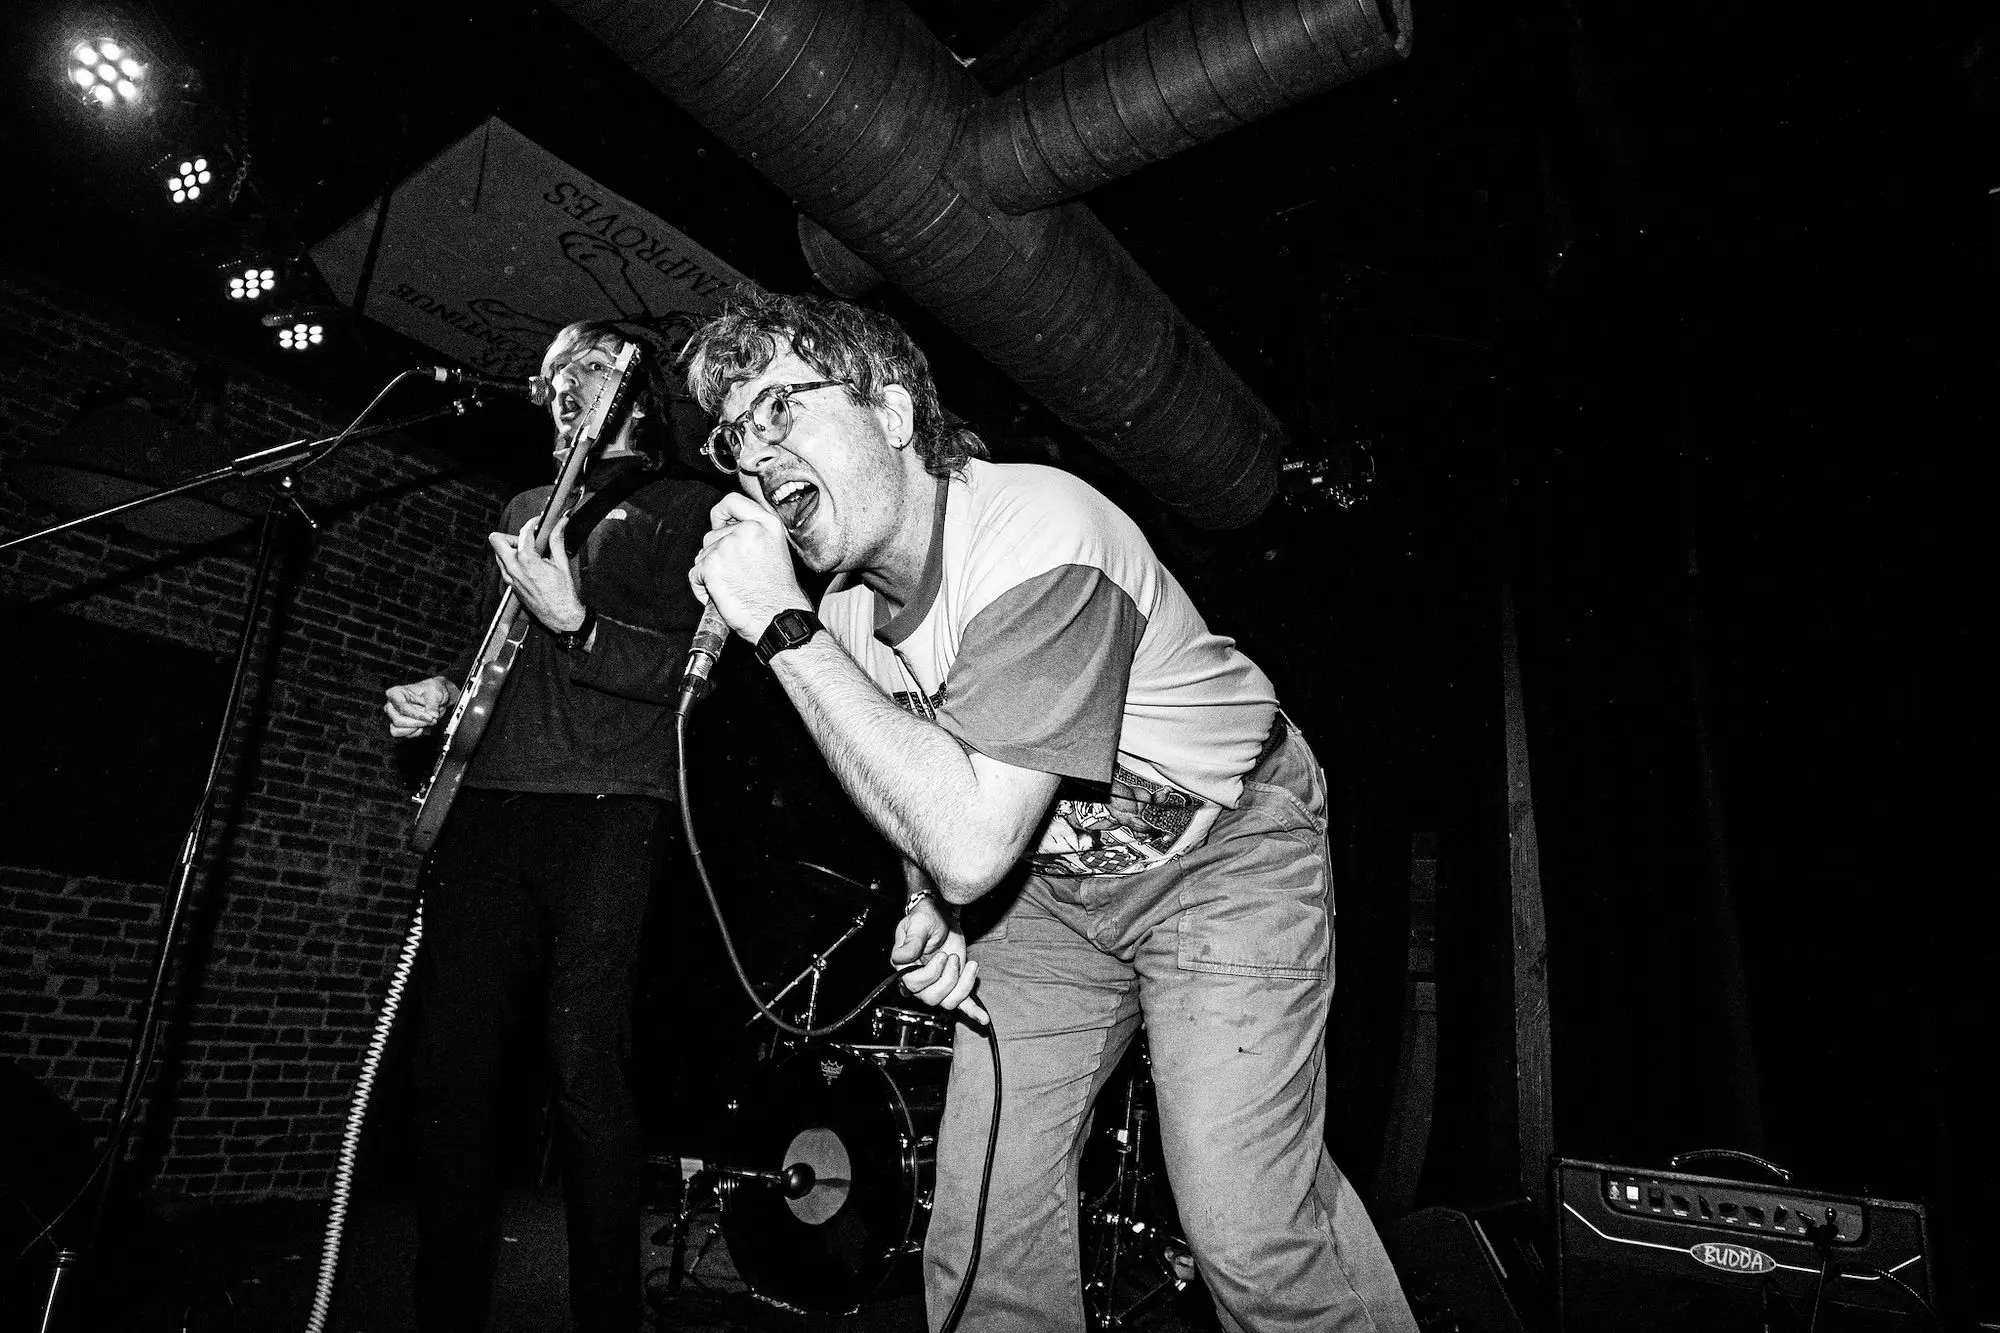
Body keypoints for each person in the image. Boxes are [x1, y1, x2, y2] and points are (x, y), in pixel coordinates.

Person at [683, 291, 1416, 1333]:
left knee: (1245, 1225)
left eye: (778, 409)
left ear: (891, 410)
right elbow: (913, 778)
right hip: (1047, 898)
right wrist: (927, 901)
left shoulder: (1038, 535)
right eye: (731, 437)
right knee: (984, 1223)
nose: (754, 456)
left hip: (1222, 851)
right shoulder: (839, 612)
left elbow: (970, 840)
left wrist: (776, 624)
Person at [382, 319, 718, 1333]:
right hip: (487, 804)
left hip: (611, 807)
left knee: (584, 1067)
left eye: (590, 374)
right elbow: (497, 657)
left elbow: (699, 680)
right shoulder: (525, 509)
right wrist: (444, 697)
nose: (564, 390)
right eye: (552, 379)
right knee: (453, 1071)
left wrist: (582, 623)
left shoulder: (690, 508)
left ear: (636, 398)